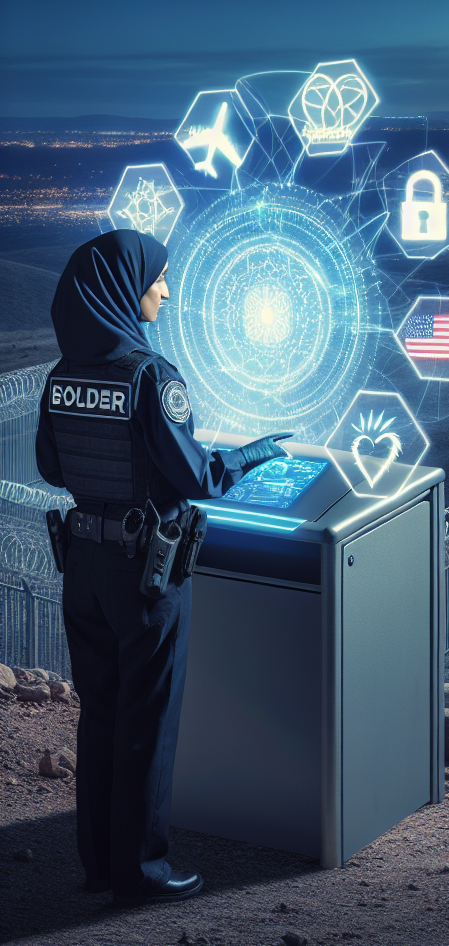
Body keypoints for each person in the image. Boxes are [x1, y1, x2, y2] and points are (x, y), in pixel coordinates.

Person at [35, 231, 292, 906]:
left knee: (99, 716)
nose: (168, 292)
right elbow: (197, 475)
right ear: (126, 288)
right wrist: (252, 454)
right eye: (160, 280)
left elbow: (51, 467)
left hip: (82, 567)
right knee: (146, 722)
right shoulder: (150, 375)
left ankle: (99, 867)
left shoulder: (62, 376)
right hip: (143, 574)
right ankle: (143, 874)